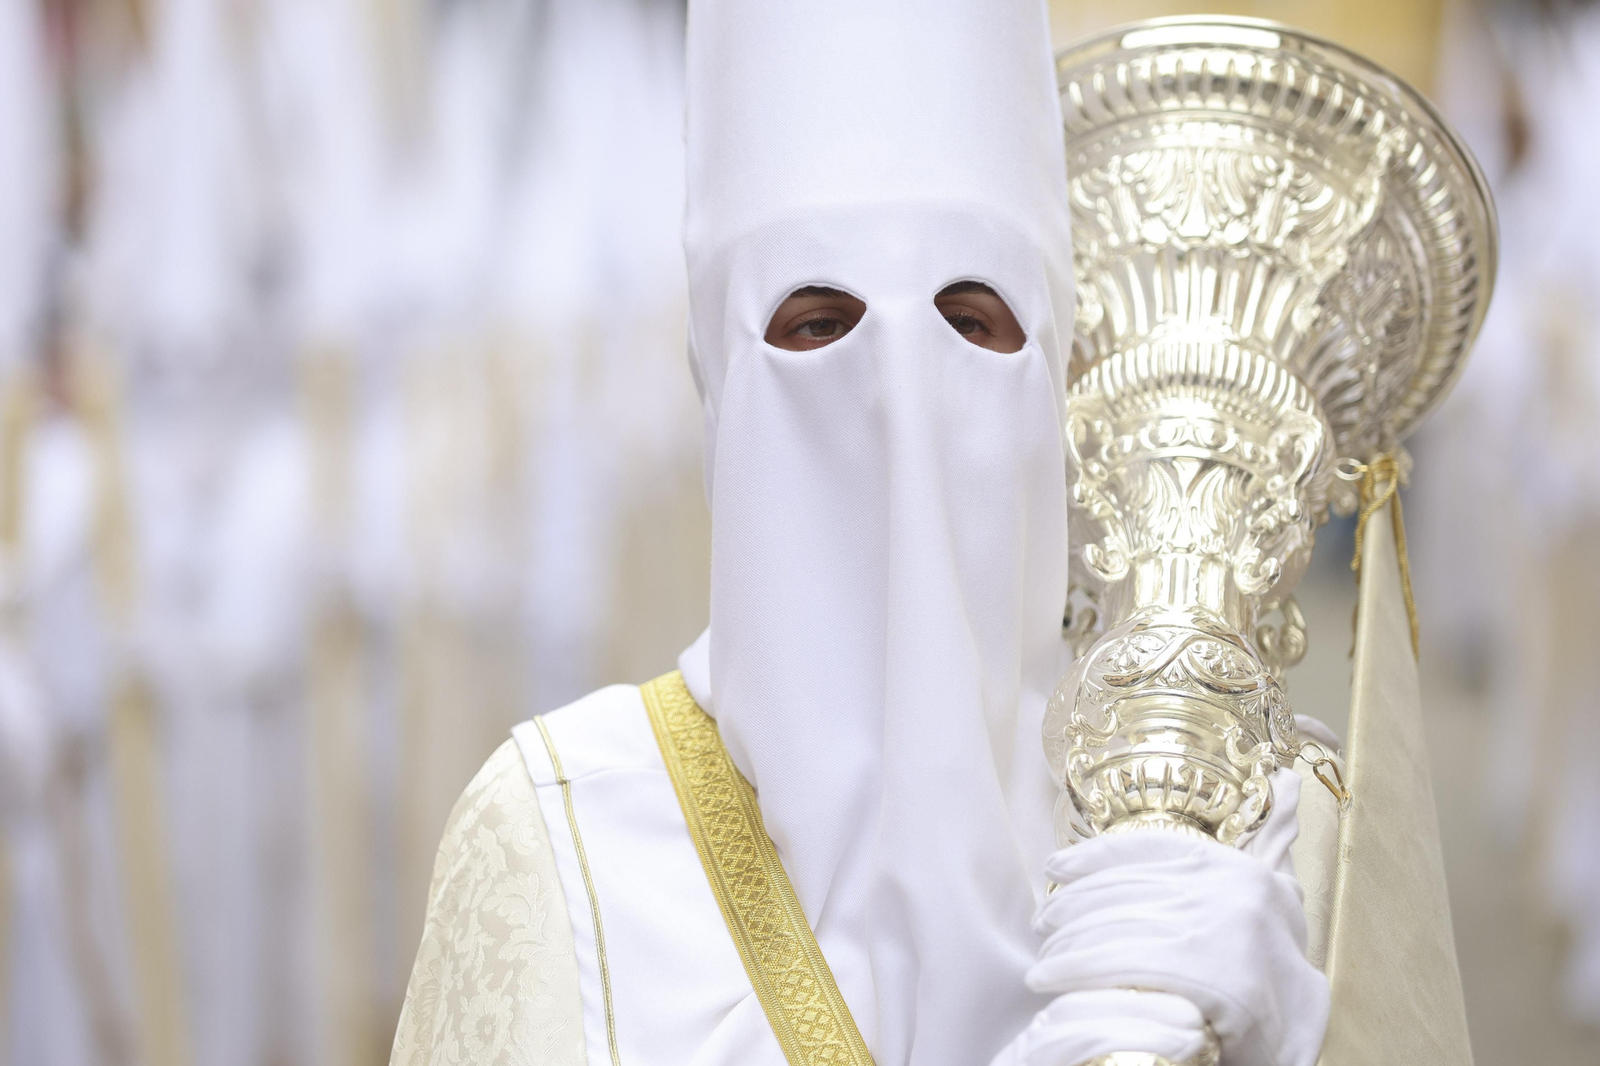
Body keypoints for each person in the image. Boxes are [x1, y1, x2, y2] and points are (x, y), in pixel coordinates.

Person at [390, 2, 1330, 1064]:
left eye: (968, 321)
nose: (898, 384)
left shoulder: (1218, 830)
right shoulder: (556, 839)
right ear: (722, 380)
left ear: (1055, 369)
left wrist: (1286, 1037)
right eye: (819, 323)